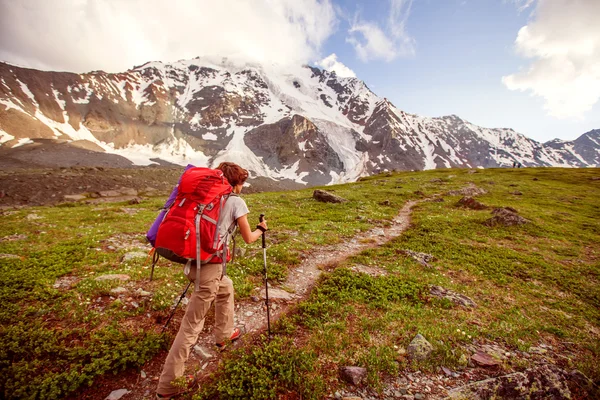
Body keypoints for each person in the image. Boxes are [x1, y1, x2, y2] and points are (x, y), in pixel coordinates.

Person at [156, 162, 268, 399]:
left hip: (193, 262)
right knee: (191, 325)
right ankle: (168, 385)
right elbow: (248, 238)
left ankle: (224, 335)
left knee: (226, 287)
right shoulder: (236, 202)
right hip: (209, 267)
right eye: (242, 183)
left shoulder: (203, 199)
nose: (243, 188)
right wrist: (261, 229)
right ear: (235, 183)